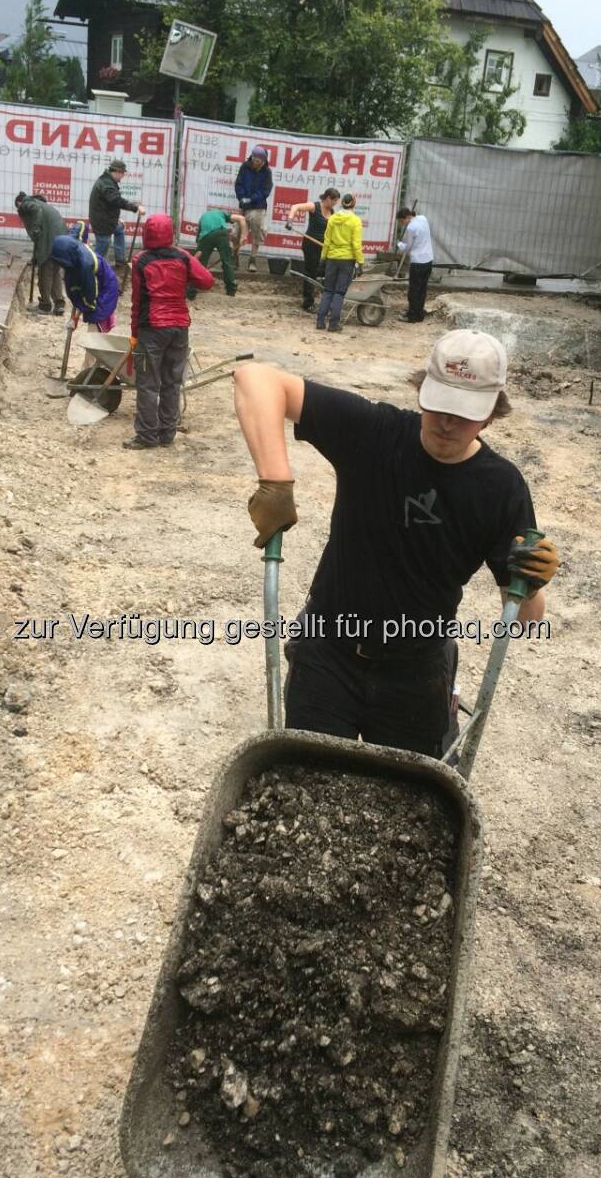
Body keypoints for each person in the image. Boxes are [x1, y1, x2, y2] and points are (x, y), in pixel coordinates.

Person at [232, 328, 559, 757]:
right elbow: (254, 379)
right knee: (311, 780)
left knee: (412, 793)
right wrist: (275, 482)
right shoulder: (375, 433)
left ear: (492, 413)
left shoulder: (500, 488)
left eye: (464, 412)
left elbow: (527, 621)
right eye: (439, 404)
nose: (447, 422)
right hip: (328, 651)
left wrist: (531, 584)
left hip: (417, 669)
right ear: (421, 391)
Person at [127, 213, 216, 451]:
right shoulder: (183, 257)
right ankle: (167, 433)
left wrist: (134, 334)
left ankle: (146, 436)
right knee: (172, 382)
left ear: (146, 233)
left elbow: (138, 301)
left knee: (147, 383)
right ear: (171, 233)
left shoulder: (140, 261)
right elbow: (207, 281)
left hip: (151, 330)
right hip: (179, 329)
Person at [49, 233, 120, 333]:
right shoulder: (73, 249)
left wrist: (77, 316)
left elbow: (88, 299)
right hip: (95, 285)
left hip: (104, 291)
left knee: (94, 326)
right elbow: (81, 225)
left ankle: (94, 347)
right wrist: (75, 318)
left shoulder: (85, 267)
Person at [316, 192, 363, 332]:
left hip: (331, 259)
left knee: (328, 290)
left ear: (341, 203)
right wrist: (360, 262)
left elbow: (327, 241)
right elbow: (356, 245)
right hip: (347, 261)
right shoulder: (355, 221)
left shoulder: (333, 218)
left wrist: (323, 258)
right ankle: (333, 324)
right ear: (354, 204)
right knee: (339, 292)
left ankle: (320, 321)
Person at [288, 187, 340, 312]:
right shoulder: (314, 206)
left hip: (324, 246)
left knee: (325, 272)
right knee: (311, 272)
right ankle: (308, 303)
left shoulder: (332, 213)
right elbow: (296, 207)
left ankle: (326, 302)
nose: (335, 204)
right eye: (334, 201)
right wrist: (290, 220)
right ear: (328, 198)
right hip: (311, 244)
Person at [14, 192, 67, 315]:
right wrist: (35, 257)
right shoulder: (42, 204)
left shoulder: (27, 204)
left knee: (44, 272)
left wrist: (36, 228)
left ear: (19, 203)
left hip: (50, 241)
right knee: (54, 272)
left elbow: (37, 213)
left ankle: (45, 305)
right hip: (61, 240)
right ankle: (59, 304)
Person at [89, 159, 140, 265]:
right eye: (122, 173)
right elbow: (116, 200)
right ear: (117, 171)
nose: (123, 176)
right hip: (102, 224)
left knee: (120, 228)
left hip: (106, 220)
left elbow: (112, 202)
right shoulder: (107, 184)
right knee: (101, 251)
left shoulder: (108, 181)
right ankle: (92, 269)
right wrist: (134, 207)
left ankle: (120, 259)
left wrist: (117, 218)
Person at [234, 145, 273, 271]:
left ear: (263, 160)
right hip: (244, 205)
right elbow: (238, 183)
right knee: (237, 232)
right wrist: (242, 198)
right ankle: (235, 257)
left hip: (258, 206)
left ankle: (253, 259)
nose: (254, 163)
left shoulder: (267, 172)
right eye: (253, 159)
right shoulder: (245, 166)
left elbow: (265, 191)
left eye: (257, 161)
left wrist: (252, 199)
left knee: (257, 232)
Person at [196, 207, 247, 298]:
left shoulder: (202, 217)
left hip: (206, 237)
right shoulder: (222, 213)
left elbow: (198, 240)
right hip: (222, 234)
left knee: (199, 263)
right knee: (227, 261)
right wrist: (243, 236)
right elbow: (242, 219)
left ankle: (194, 287)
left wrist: (200, 255)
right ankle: (231, 290)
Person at [396, 206, 434, 323]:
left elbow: (408, 247)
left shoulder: (411, 228)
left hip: (417, 262)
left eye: (402, 221)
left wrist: (399, 244)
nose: (403, 224)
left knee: (414, 290)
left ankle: (412, 316)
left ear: (407, 217)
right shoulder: (423, 219)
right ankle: (419, 312)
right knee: (422, 288)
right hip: (428, 259)